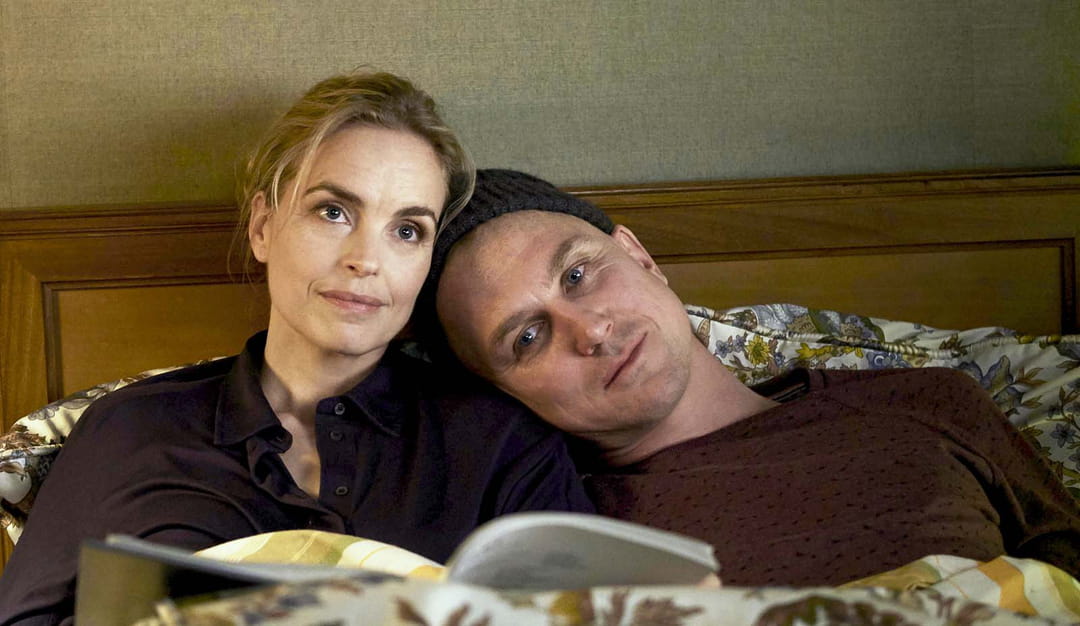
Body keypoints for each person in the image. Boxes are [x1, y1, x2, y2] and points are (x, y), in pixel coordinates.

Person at [0, 78, 592, 624]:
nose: (367, 260)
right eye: (333, 212)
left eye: (407, 230)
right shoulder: (129, 429)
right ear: (262, 227)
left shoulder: (501, 444)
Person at [429, 168, 1080, 586]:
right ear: (499, 392)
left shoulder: (925, 400)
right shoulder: (558, 532)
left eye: (578, 275)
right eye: (528, 337)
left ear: (639, 256)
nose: (591, 331)